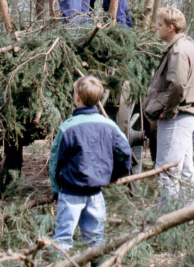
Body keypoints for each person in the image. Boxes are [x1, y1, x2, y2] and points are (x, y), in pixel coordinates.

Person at [49, 76, 131, 258]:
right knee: (95, 240)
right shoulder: (110, 125)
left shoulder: (67, 128)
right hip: (96, 193)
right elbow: (125, 153)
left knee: (63, 238)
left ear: (77, 97)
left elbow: (55, 161)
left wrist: (56, 189)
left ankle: (59, 262)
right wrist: (112, 176)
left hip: (70, 193)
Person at [144, 7, 194, 208]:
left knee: (167, 169)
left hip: (177, 117)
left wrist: (168, 111)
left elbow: (178, 84)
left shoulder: (178, 51)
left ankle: (167, 220)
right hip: (187, 114)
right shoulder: (189, 47)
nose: (157, 28)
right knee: (186, 170)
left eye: (160, 25)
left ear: (171, 27)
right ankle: (188, 216)